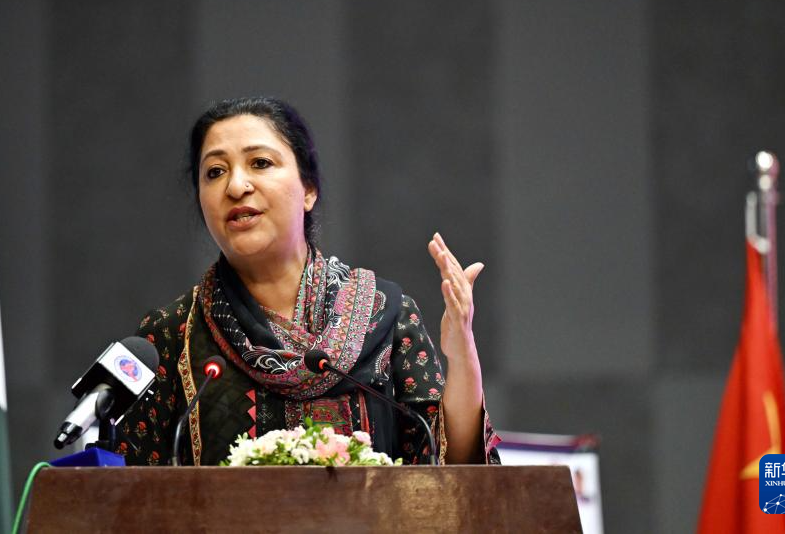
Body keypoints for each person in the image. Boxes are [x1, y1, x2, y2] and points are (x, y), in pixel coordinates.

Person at [116, 97, 499, 465]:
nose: (235, 186)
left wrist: (462, 352)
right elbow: (128, 489)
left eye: (260, 163)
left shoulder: (384, 314)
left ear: (309, 190)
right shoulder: (172, 334)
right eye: (215, 172)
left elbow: (451, 466)